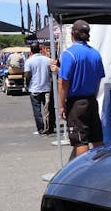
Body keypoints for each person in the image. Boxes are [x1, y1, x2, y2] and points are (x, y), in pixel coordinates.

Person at [58, 20, 105, 159]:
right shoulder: (95, 54)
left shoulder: (69, 53)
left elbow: (63, 82)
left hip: (76, 103)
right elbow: (98, 79)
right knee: (96, 138)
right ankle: (98, 167)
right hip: (91, 100)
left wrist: (61, 105)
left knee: (80, 141)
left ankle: (82, 170)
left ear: (72, 34)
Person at [24, 43, 55, 135]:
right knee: (48, 109)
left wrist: (27, 85)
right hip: (46, 88)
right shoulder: (47, 60)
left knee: (37, 110)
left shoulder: (29, 61)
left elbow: (27, 75)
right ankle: (50, 128)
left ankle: (41, 128)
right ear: (40, 50)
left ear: (31, 51)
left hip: (34, 88)